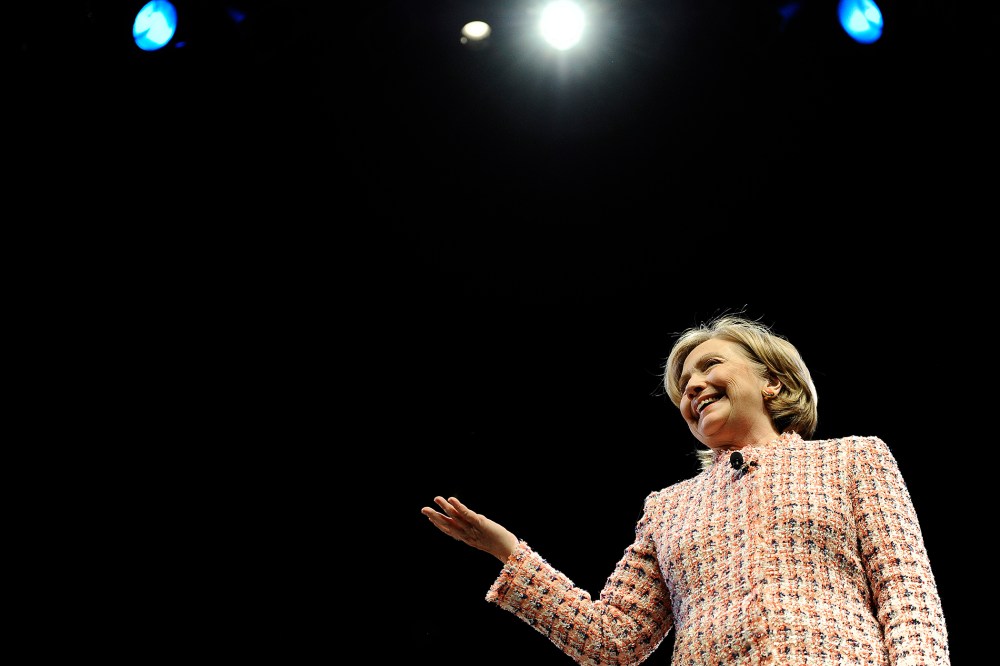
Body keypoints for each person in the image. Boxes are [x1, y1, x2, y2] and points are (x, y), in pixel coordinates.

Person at [421, 313, 949, 665]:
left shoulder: (855, 458)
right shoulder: (667, 507)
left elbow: (908, 599)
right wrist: (510, 553)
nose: (692, 386)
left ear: (775, 382)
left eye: (709, 365)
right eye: (682, 386)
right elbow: (614, 639)